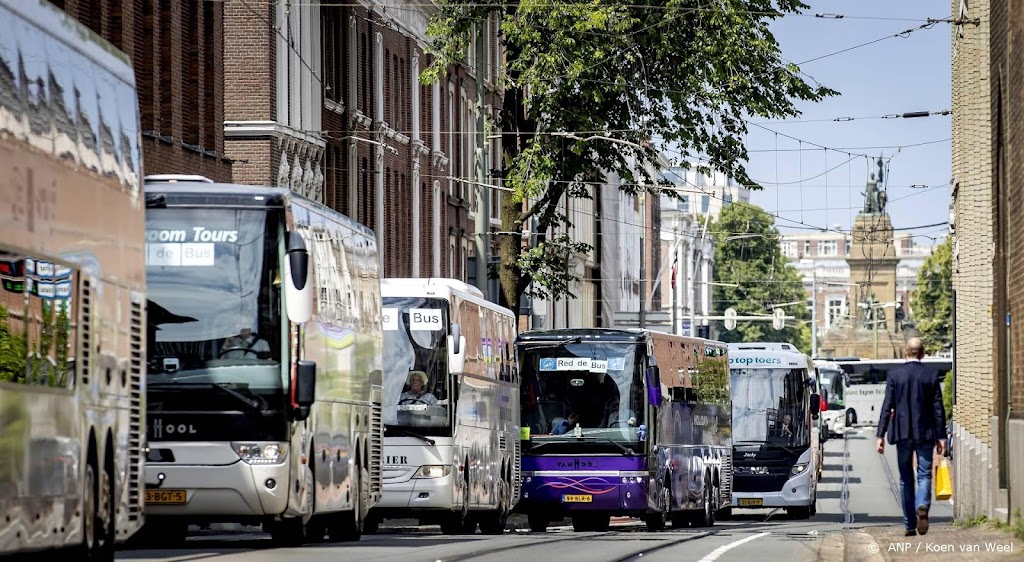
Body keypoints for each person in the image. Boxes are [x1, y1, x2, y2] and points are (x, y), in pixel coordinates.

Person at [876, 337, 946, 537]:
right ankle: (922, 505)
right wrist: (941, 437)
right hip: (925, 434)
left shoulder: (894, 375)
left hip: (903, 434)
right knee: (924, 474)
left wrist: (880, 434)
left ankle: (909, 525)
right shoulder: (930, 375)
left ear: (905, 352)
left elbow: (887, 406)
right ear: (922, 354)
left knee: (906, 479)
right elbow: (938, 409)